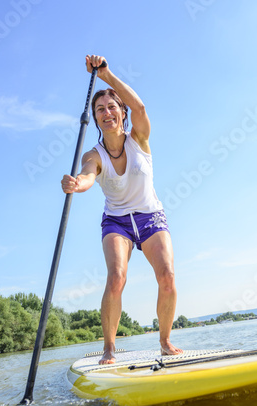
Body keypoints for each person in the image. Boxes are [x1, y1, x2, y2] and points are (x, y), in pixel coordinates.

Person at [61, 54, 183, 364]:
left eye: (112, 107)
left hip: (150, 216)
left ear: (122, 112)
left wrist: (106, 76)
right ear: (96, 118)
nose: (106, 113)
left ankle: (166, 341)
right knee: (116, 277)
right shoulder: (94, 153)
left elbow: (140, 107)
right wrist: (78, 183)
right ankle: (109, 348)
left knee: (167, 276)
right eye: (99, 109)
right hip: (116, 222)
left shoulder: (139, 137)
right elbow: (89, 173)